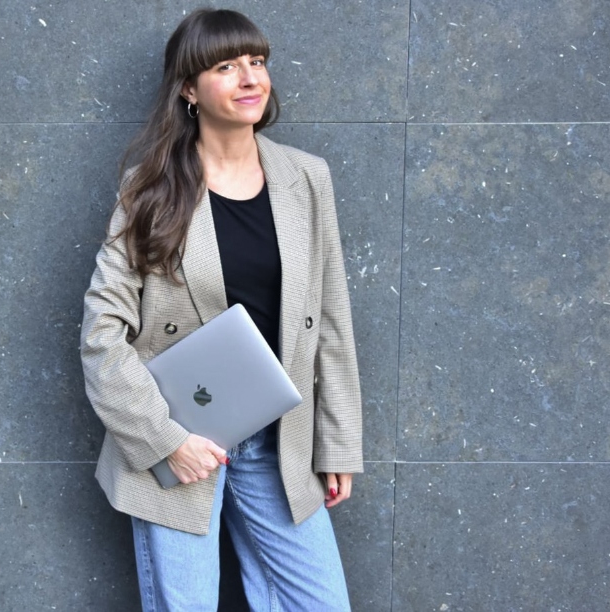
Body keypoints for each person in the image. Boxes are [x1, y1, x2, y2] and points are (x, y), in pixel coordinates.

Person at [80, 8, 362, 611]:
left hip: (279, 437)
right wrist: (165, 440)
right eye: (226, 66)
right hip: (179, 435)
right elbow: (102, 333)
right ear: (188, 89)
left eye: (256, 62)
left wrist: (336, 443)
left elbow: (330, 317)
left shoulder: (306, 178)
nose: (249, 78)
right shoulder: (150, 189)